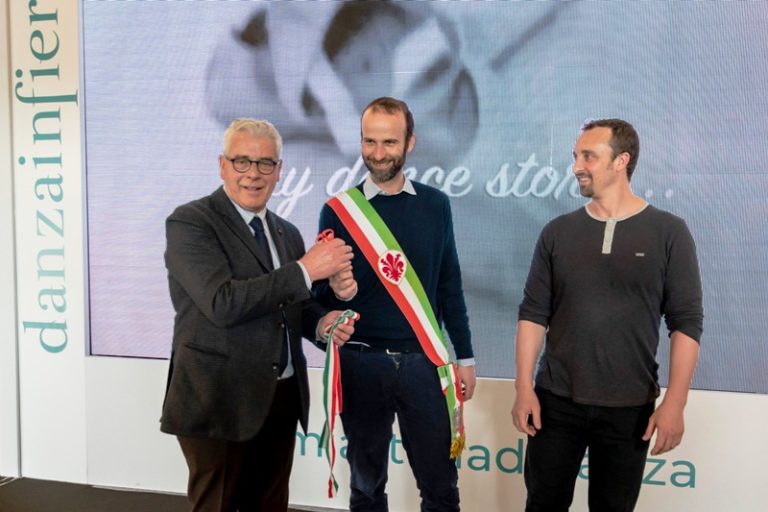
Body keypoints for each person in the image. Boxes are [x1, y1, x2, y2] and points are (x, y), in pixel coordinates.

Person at [160, 118, 357, 512]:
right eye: (242, 161)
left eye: (265, 163)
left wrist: (321, 324)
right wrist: (306, 270)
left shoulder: (286, 232)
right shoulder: (191, 222)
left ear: (279, 170)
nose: (253, 173)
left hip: (279, 398)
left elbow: (290, 308)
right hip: (218, 399)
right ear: (222, 165)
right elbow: (223, 302)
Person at [511, 119, 704, 511]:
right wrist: (523, 387)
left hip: (630, 407)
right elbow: (533, 313)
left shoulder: (669, 232)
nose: (576, 166)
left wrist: (676, 403)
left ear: (621, 161)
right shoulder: (557, 232)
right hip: (555, 402)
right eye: (576, 156)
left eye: (589, 156)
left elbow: (686, 322)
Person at [313, 97, 476, 512]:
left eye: (389, 142)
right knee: (366, 488)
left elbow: (449, 285)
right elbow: (319, 300)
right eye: (370, 141)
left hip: (425, 362)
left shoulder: (436, 205)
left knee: (441, 488)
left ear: (410, 142)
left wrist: (466, 357)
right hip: (361, 362)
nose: (378, 153)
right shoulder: (338, 211)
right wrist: (338, 293)